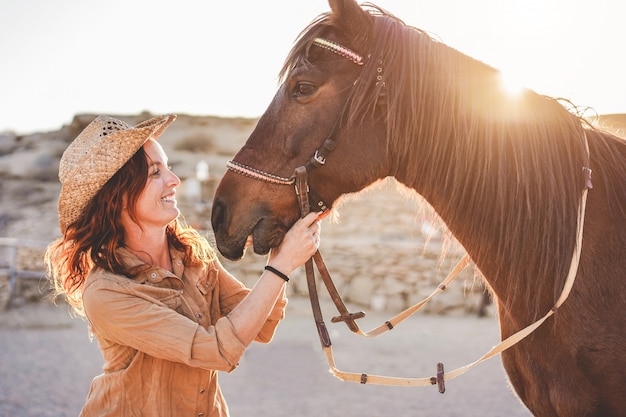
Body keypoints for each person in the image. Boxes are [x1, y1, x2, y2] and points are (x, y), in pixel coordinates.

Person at [44, 114, 321, 417]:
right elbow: (215, 350)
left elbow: (262, 327)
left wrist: (278, 252)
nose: (174, 180)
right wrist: (281, 267)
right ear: (118, 195)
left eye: (169, 168)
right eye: (155, 172)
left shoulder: (190, 254)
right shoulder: (107, 292)